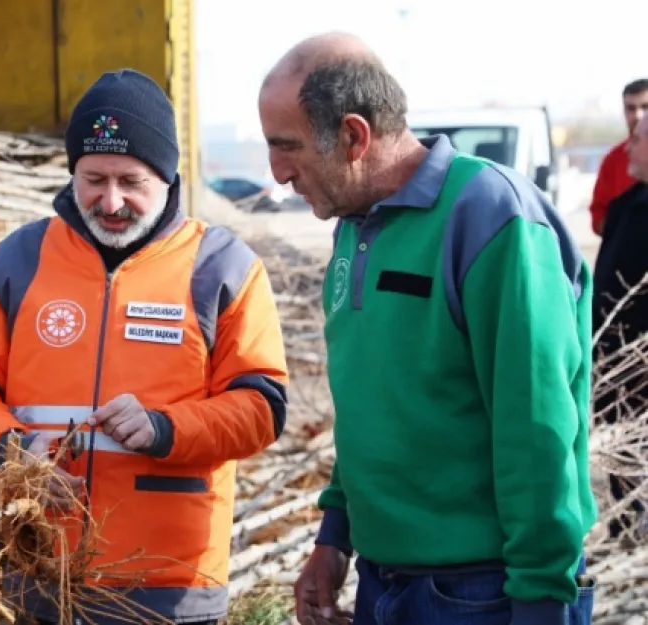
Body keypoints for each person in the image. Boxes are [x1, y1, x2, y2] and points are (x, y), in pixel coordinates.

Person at [0, 68, 290, 625]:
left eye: (132, 181)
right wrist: (13, 453)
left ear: (168, 178)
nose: (111, 200)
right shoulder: (19, 259)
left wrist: (164, 429)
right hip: (36, 573)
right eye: (94, 178)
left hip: (169, 586)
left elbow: (262, 407)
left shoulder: (222, 266)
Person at [257, 33, 596, 625]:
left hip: (482, 592)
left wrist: (542, 598)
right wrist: (334, 536)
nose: (277, 172)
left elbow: (536, 426)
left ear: (354, 137)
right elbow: (378, 401)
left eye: (288, 147)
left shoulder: (493, 215)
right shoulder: (353, 225)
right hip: (381, 584)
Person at [592, 113, 648, 541]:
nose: (627, 148)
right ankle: (626, 533)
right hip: (613, 361)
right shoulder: (626, 204)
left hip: (641, 360)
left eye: (637, 139)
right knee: (620, 457)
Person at [588, 78, 648, 237]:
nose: (638, 115)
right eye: (631, 108)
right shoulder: (613, 160)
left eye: (645, 107)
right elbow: (598, 217)